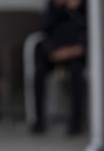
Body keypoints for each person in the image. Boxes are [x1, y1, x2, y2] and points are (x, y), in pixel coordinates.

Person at [32, 0, 87, 136]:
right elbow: (46, 29)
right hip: (55, 52)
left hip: (76, 52)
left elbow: (90, 33)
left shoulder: (86, 7)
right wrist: (58, 8)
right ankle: (39, 120)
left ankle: (76, 122)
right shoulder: (54, 6)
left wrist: (76, 9)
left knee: (76, 72)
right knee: (39, 70)